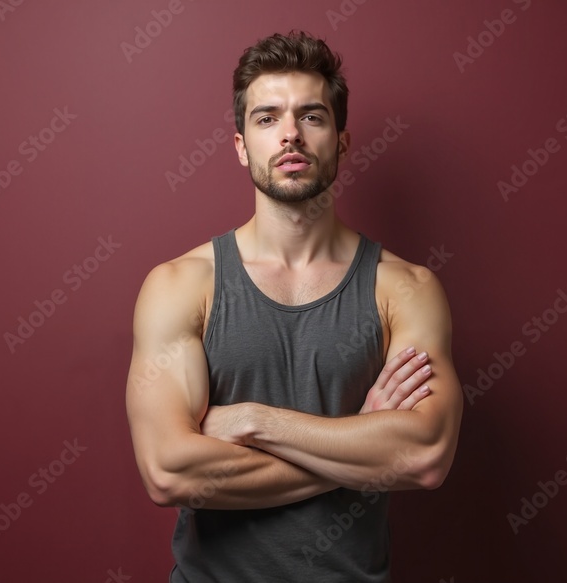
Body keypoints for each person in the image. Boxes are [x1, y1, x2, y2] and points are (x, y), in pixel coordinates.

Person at [126, 30, 463, 582]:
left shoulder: (404, 287)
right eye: (266, 118)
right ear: (240, 146)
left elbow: (425, 455)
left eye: (311, 116)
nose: (290, 135)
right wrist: (360, 440)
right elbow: (169, 471)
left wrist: (253, 421)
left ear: (342, 141)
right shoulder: (180, 286)